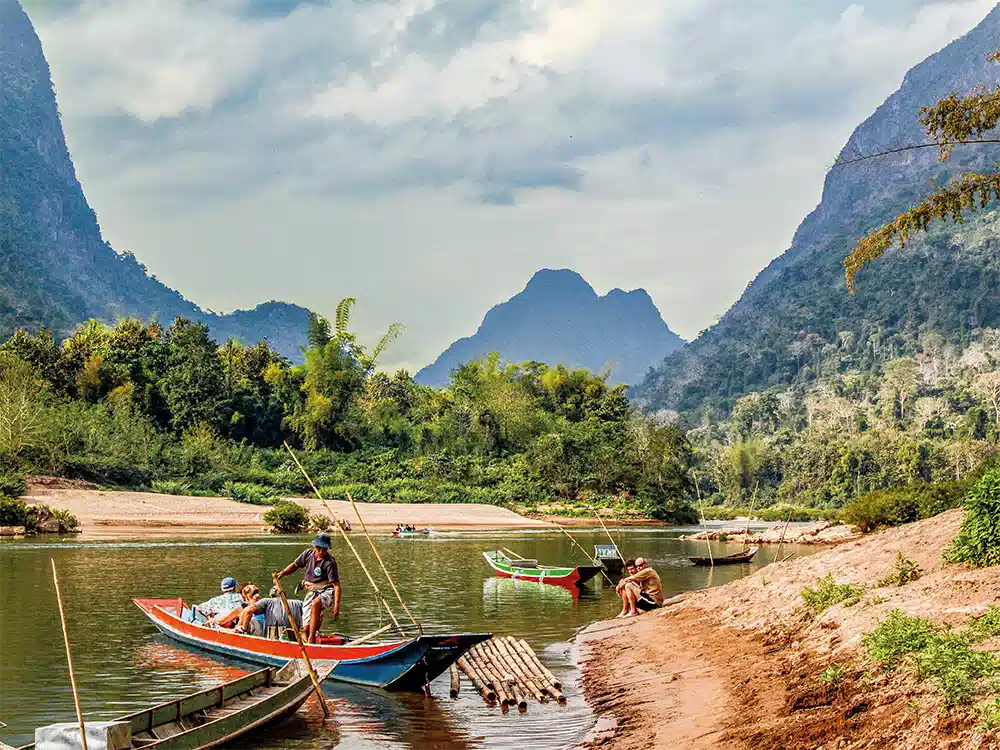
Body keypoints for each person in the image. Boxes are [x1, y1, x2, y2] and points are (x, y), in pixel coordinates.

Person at [274, 532, 340, 643]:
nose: (321, 552)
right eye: (319, 548)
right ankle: (310, 636)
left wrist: (336, 606)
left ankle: (311, 639)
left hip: (326, 591)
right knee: (305, 628)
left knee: (316, 604)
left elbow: (336, 586)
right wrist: (283, 573)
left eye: (324, 549)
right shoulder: (308, 554)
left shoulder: (330, 562)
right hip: (312, 590)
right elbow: (295, 565)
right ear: (315, 546)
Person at [237, 586, 305, 639]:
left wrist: (244, 630)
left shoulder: (267, 601)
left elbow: (249, 611)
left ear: (271, 596)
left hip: (274, 635)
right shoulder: (298, 603)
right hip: (294, 633)